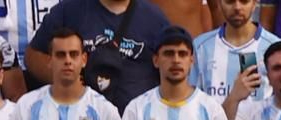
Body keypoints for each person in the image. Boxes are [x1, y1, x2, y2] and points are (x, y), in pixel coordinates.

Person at [27, 0, 173, 111]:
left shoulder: (154, 19)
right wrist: (65, 81)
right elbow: (33, 55)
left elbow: (172, 70)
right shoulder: (70, 11)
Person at [194, 0, 281, 106]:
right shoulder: (200, 47)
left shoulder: (275, 48)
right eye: (230, 1)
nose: (237, 7)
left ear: (254, 3)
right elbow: (192, 106)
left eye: (244, 1)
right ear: (220, 3)